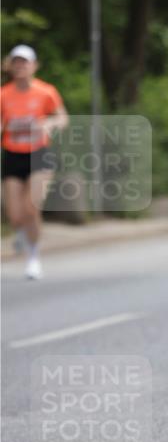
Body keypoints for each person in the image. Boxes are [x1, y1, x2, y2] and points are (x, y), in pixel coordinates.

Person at [1, 45, 68, 279]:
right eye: (16, 62)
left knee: (31, 207)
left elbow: (62, 117)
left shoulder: (45, 92)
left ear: (34, 66)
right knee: (15, 214)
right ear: (11, 66)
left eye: (25, 62)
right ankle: (20, 233)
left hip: (39, 153)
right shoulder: (4, 94)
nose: (20, 66)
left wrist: (49, 124)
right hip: (12, 154)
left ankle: (33, 257)